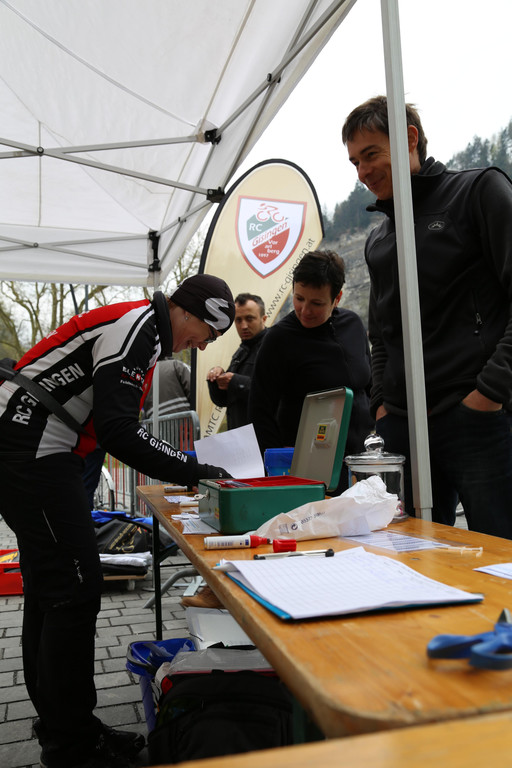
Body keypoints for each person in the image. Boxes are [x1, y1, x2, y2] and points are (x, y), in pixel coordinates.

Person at [0, 273, 235, 768]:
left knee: (51, 589)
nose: (203, 345)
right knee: (75, 589)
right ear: (189, 311)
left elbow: (112, 427)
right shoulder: (139, 327)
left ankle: (65, 726)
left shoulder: (140, 326)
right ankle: (72, 746)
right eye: (208, 333)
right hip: (31, 447)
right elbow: (119, 430)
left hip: (29, 444)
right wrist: (195, 471)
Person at [342, 95, 512, 537]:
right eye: (355, 162)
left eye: (371, 154)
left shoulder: (477, 191)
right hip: (402, 427)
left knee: (501, 558)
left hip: (477, 416)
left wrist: (490, 392)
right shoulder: (379, 239)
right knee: (408, 560)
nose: (362, 172)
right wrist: (383, 408)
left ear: (409, 138)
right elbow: (381, 334)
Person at [248, 250, 373, 492]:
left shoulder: (353, 325)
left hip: (361, 462)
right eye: (299, 298)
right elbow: (259, 410)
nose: (305, 310)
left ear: (337, 298)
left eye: (317, 303)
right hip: (308, 470)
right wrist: (279, 467)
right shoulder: (279, 339)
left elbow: (369, 384)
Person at [207, 292, 267, 429]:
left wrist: (235, 381)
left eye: (249, 318)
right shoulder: (241, 351)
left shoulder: (273, 347)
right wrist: (216, 379)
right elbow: (223, 400)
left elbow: (273, 392)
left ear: (263, 319)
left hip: (263, 436)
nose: (243, 326)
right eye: (238, 320)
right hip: (241, 434)